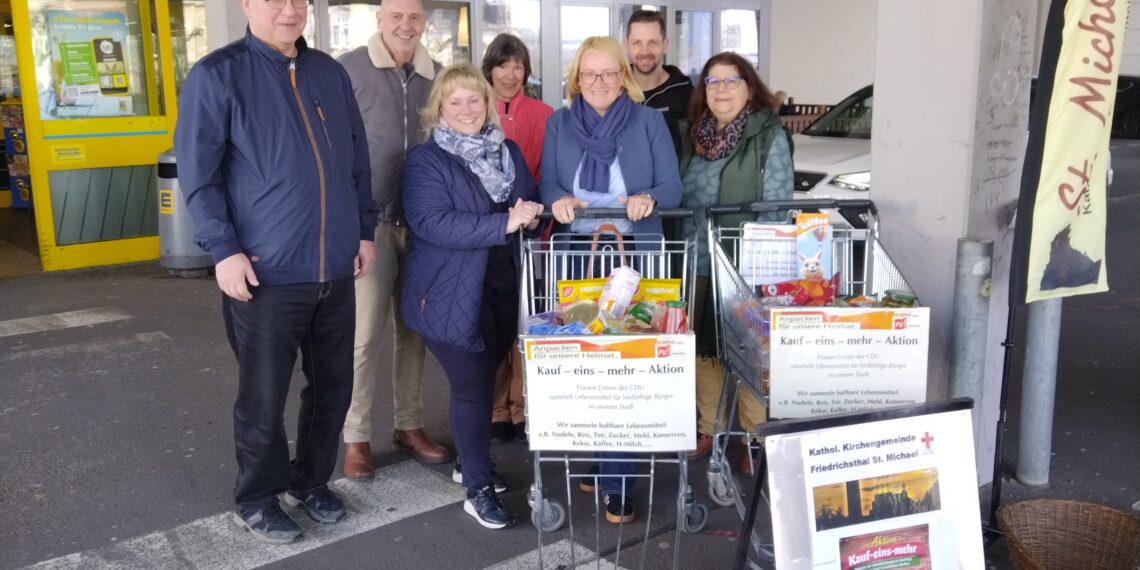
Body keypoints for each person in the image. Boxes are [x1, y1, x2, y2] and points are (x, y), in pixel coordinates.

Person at [174, 0, 377, 544]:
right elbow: (199, 174)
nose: (289, 10)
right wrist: (224, 249)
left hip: (335, 267)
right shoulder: (218, 75)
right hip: (265, 272)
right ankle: (258, 498)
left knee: (333, 387)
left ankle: (311, 481)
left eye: (297, 0)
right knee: (263, 397)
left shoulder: (328, 72)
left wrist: (363, 230)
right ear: (247, 5)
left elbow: (356, 158)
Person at [540, 36, 682, 524]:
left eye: (607, 73)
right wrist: (558, 199)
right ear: (576, 79)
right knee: (587, 362)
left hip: (634, 259)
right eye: (588, 74)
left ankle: (618, 480)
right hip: (579, 259)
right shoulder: (559, 123)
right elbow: (548, 182)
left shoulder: (648, 122)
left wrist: (649, 198)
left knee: (626, 365)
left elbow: (672, 185)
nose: (598, 82)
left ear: (623, 76)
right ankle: (602, 455)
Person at [400, 63, 544, 529]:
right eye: (454, 101)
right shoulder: (426, 160)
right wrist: (505, 222)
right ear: (439, 108)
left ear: (487, 103)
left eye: (474, 99)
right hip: (448, 292)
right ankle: (477, 489)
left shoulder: (508, 150)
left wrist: (533, 216)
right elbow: (432, 223)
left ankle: (469, 460)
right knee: (473, 387)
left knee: (487, 374)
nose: (465, 109)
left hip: (503, 286)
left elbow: (526, 204)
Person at [337, 0, 449, 479]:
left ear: (424, 23)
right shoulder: (348, 69)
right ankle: (356, 435)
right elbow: (333, 147)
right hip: (370, 226)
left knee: (415, 332)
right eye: (396, 16)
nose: (406, 25)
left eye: (414, 17)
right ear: (379, 19)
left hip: (422, 226)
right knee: (363, 336)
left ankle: (408, 425)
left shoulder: (436, 74)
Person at [676, 52, 793, 473]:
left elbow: (777, 204)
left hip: (746, 265)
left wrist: (760, 269)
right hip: (696, 260)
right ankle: (711, 426)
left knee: (749, 351)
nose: (721, 89)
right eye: (713, 81)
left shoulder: (768, 135)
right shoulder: (691, 134)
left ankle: (754, 436)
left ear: (749, 87)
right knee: (702, 349)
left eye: (731, 81)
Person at [480, 33, 554, 445]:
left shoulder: (544, 114)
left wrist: (537, 218)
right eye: (502, 65)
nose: (510, 74)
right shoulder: (478, 108)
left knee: (528, 318)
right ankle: (495, 409)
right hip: (490, 234)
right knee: (494, 323)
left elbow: (546, 172)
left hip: (533, 229)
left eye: (518, 66)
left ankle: (523, 404)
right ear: (489, 69)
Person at [624, 9, 694, 151]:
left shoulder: (686, 93)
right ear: (627, 45)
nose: (645, 51)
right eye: (637, 42)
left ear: (665, 45)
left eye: (652, 42)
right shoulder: (614, 90)